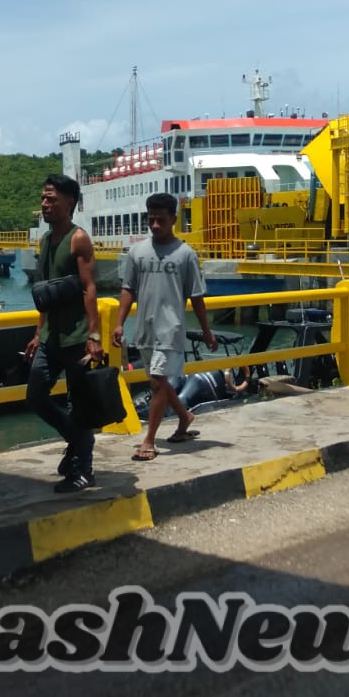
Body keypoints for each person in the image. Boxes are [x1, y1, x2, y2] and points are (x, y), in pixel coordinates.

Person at [113, 192, 217, 461]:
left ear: (173, 219)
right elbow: (128, 290)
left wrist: (206, 332)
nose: (155, 225)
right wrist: (119, 324)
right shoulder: (137, 252)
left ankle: (148, 441)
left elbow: (197, 297)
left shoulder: (186, 255)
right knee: (157, 381)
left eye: (161, 220)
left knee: (158, 383)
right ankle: (185, 417)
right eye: (151, 220)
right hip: (144, 328)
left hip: (171, 329)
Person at [24, 174, 103, 493]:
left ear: (70, 203)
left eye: (51, 199)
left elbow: (89, 288)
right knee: (35, 396)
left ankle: (83, 469)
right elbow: (45, 292)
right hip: (50, 338)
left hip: (76, 337)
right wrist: (37, 331)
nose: (45, 204)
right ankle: (77, 441)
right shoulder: (45, 241)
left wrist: (94, 335)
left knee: (80, 403)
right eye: (43, 198)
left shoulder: (77, 238)